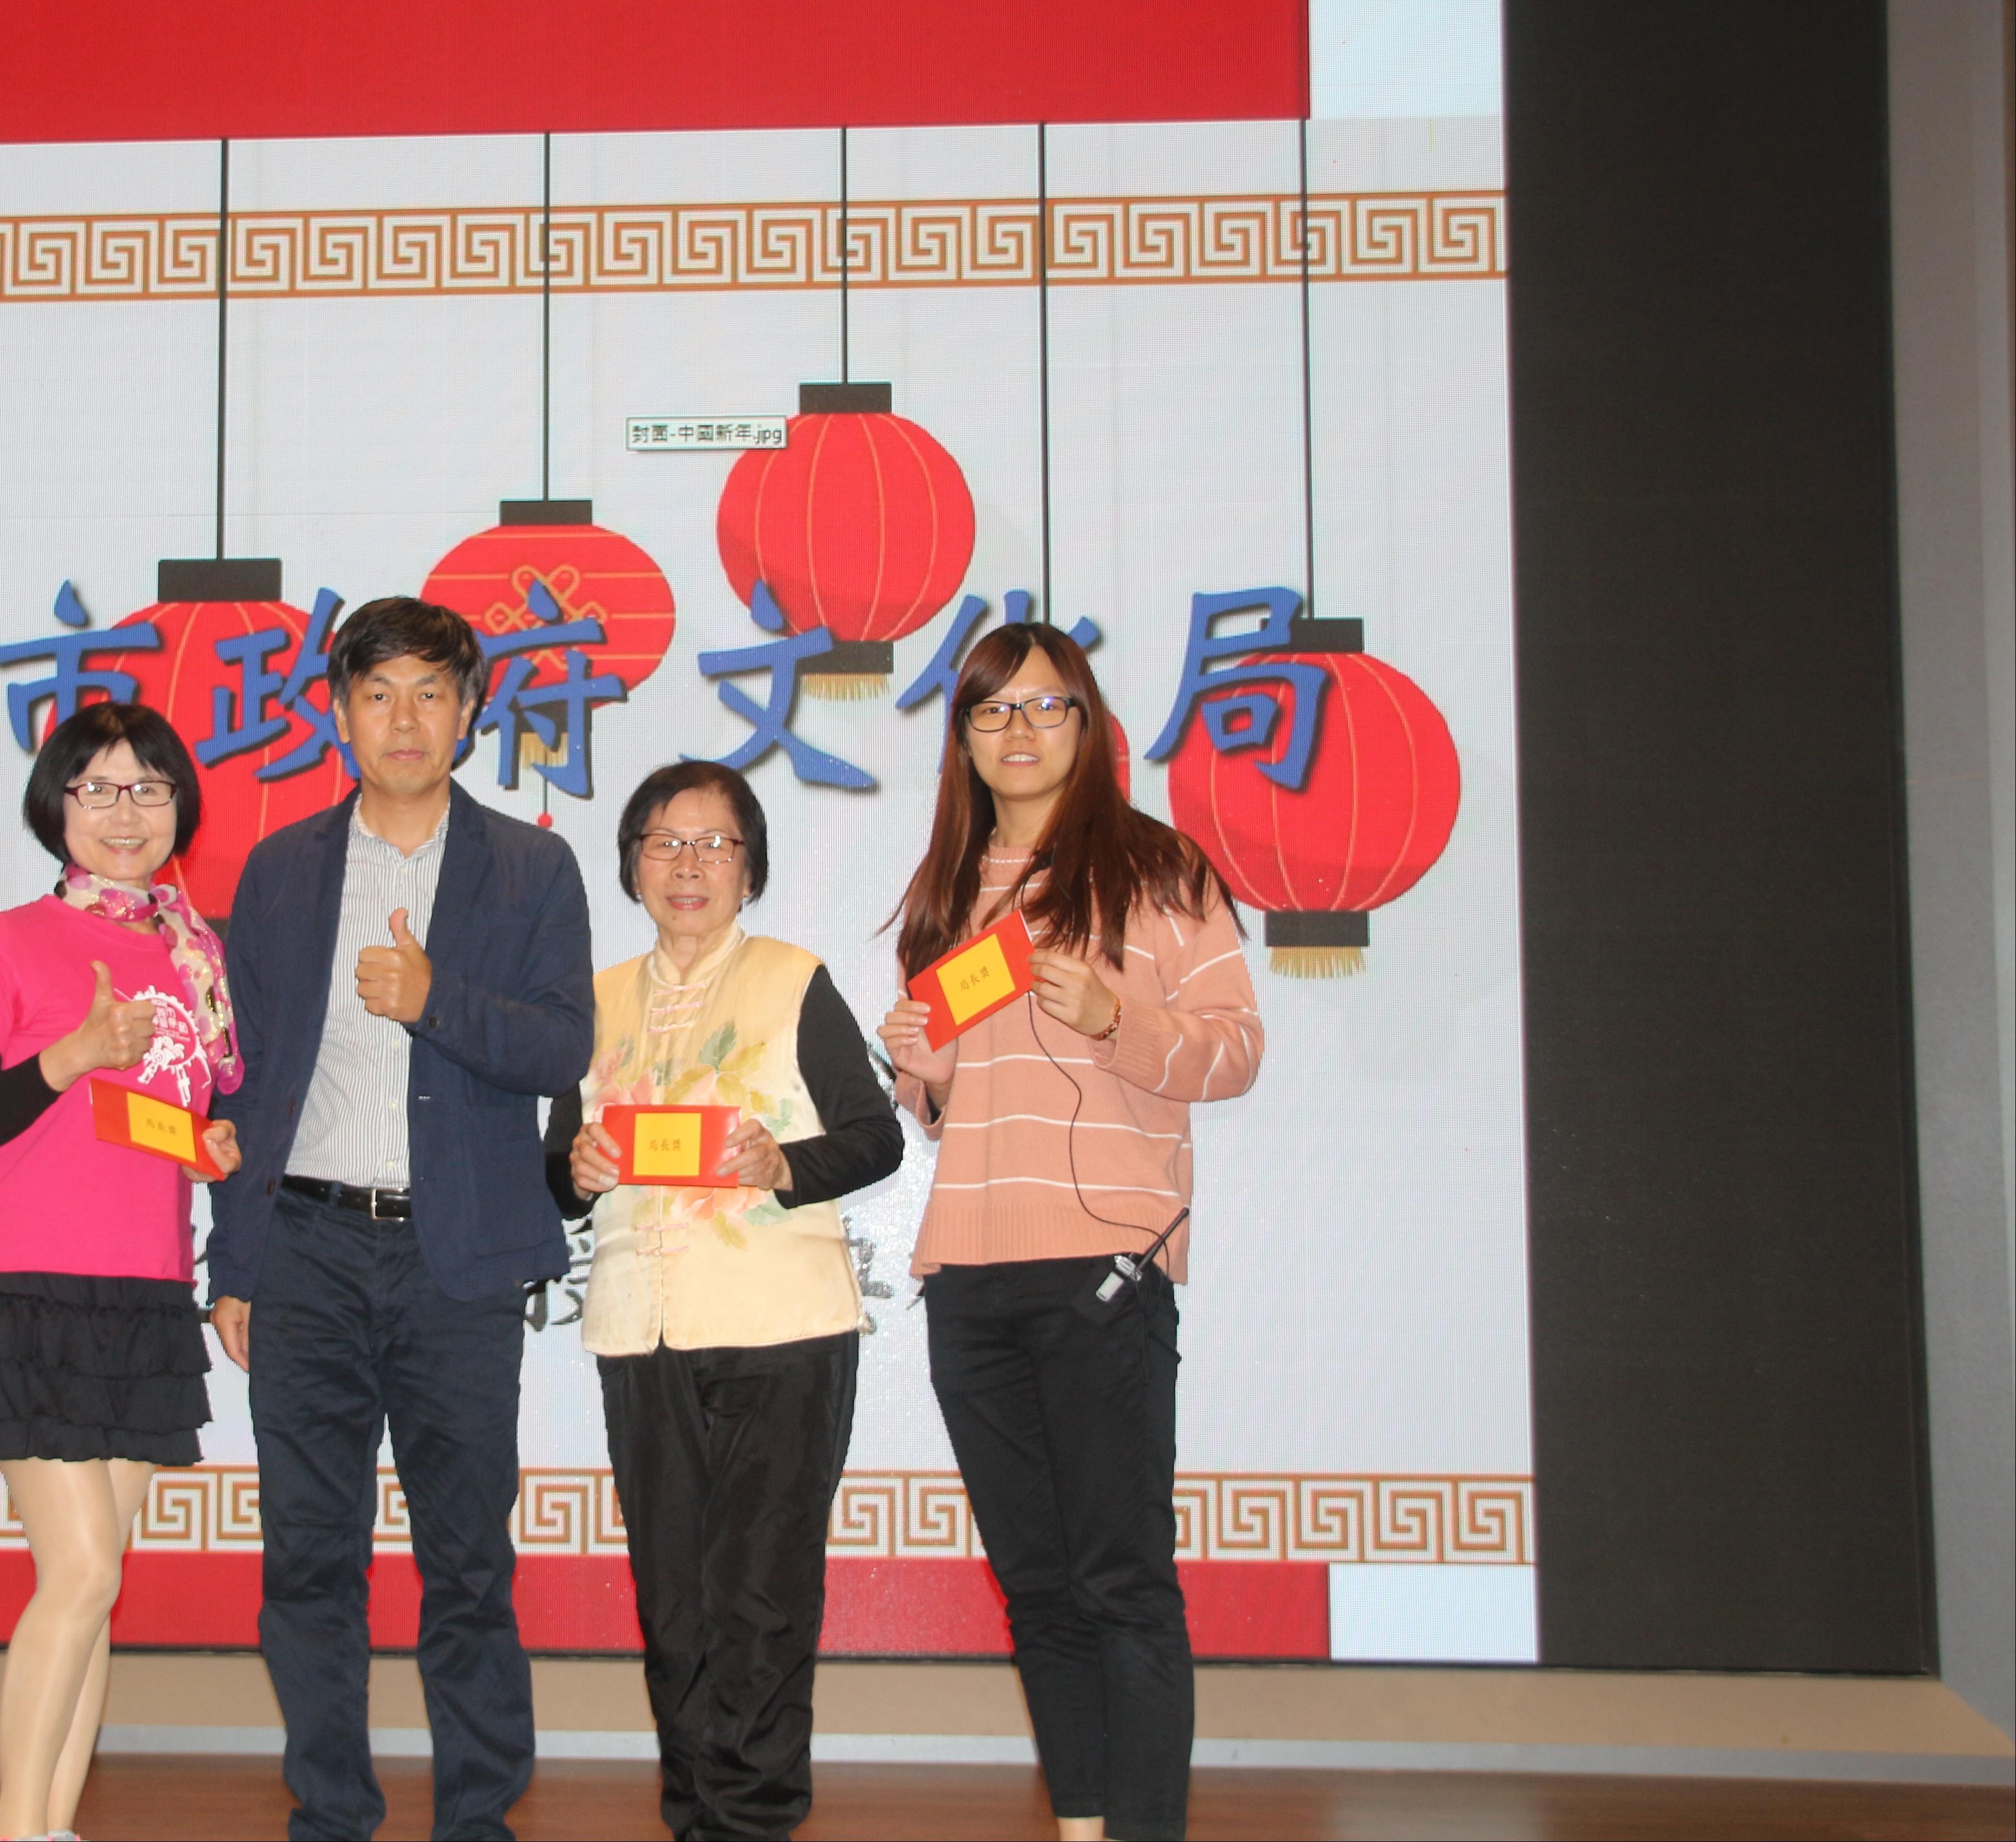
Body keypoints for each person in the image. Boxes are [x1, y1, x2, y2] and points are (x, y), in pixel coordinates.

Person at [207, 596, 595, 1842]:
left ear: (470, 714)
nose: (406, 718)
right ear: (340, 714)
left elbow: (561, 1048)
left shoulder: (531, 868)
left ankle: (477, 1816)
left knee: (467, 1559)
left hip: (457, 1260)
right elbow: (244, 1080)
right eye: (379, 694)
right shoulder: (281, 870)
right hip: (306, 1250)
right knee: (308, 1558)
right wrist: (235, 1262)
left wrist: (437, 999)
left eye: (432, 691)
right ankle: (330, 1812)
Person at [876, 623, 1262, 1842]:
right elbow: (949, 1108)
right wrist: (920, 1068)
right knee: (1038, 1589)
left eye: (1048, 707)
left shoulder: (1160, 869)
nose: (1021, 731)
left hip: (1104, 1268)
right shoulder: (949, 893)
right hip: (970, 1273)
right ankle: (1082, 1828)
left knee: (1122, 1584)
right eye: (994, 711)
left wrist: (1115, 1014)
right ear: (965, 739)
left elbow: (1236, 1052)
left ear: (1088, 727)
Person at [544, 759, 904, 1842]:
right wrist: (577, 1172)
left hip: (780, 1332)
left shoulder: (795, 980)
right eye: (664, 842)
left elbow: (876, 1138)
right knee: (673, 1603)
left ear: (751, 869)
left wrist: (782, 1161)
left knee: (759, 1600)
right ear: (633, 867)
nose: (688, 865)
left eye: (715, 844)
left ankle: (750, 1821)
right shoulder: (594, 1000)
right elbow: (553, 1170)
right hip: (640, 1329)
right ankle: (694, 1813)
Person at [0, 700, 245, 1842]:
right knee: (82, 1576)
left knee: (97, 1593)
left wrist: (209, 1145)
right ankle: (16, 1829)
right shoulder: (4, 943)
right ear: (55, 805)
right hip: (30, 1291)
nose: (126, 812)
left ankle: (51, 1825)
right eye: (99, 788)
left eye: (149, 789)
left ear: (179, 810)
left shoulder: (196, 958)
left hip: (146, 1295)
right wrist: (72, 1055)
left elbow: (174, 1120)